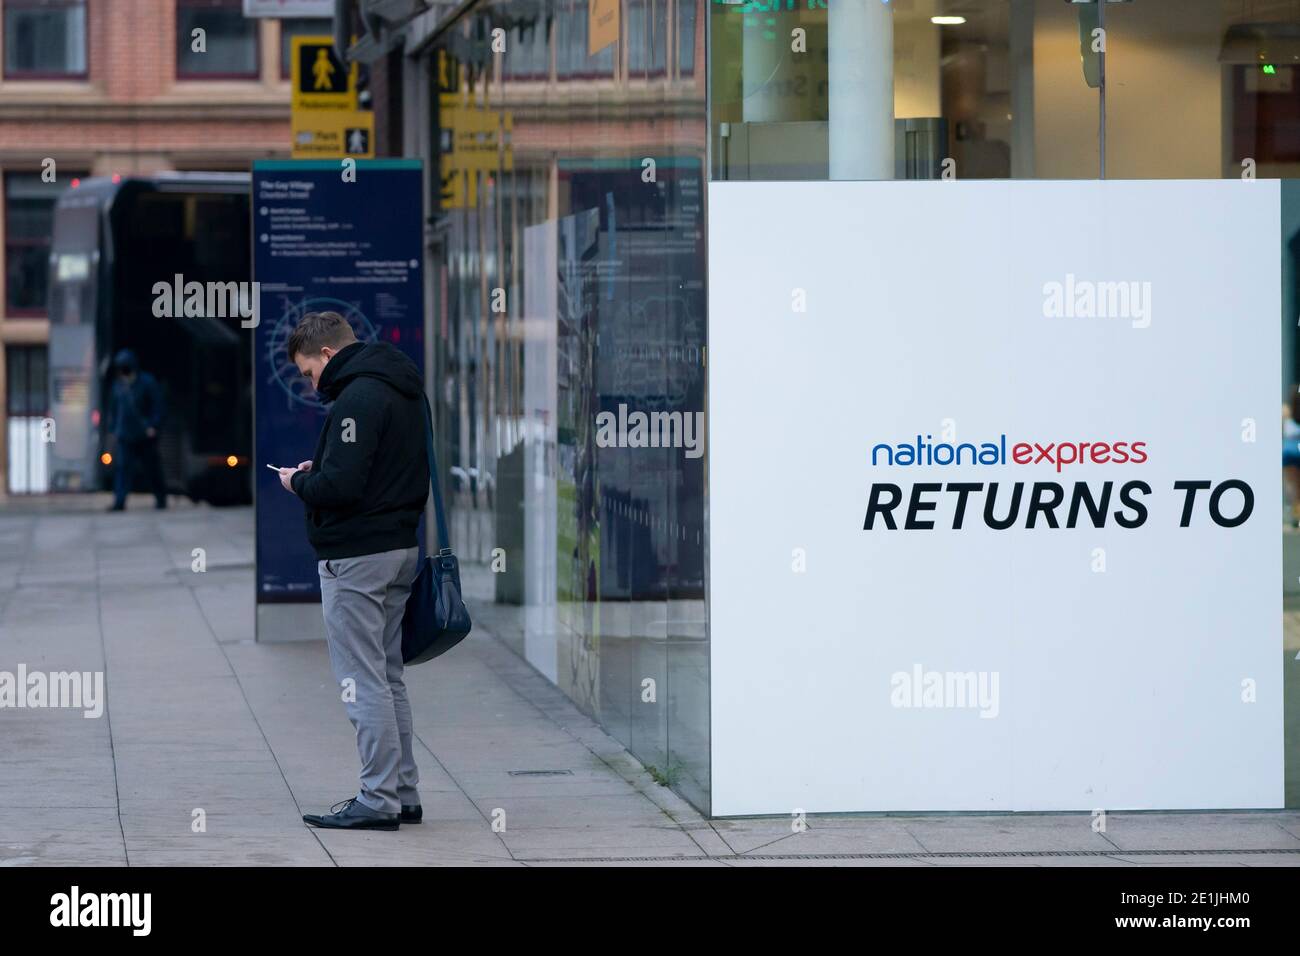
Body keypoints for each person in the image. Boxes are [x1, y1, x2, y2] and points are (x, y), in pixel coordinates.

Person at [276, 311, 430, 831]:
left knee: (362, 680)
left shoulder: (359, 396)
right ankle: (403, 792)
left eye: (308, 372)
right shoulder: (403, 385)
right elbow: (380, 469)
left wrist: (299, 483)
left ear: (326, 354)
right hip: (398, 548)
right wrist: (323, 471)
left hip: (358, 557)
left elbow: (340, 489)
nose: (310, 384)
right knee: (387, 676)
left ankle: (378, 798)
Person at [106, 348, 167, 511]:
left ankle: (161, 498)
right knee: (123, 469)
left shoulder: (147, 382)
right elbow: (114, 409)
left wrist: (154, 425)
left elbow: (157, 405)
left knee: (152, 468)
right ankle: (120, 501)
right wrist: (113, 429)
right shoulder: (118, 386)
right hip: (125, 435)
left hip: (145, 434)